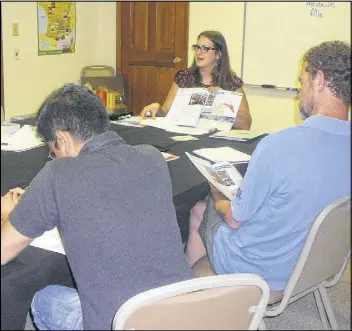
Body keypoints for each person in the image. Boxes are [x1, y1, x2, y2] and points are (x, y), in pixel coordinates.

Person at [1, 84, 193, 330]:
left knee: (44, 299)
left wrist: (11, 215)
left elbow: (3, 252)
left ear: (63, 139)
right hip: (183, 314)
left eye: (53, 151)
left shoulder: (57, 175)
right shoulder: (152, 157)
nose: (55, 157)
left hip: (122, 323)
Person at [185, 41, 351, 295]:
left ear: (319, 80)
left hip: (255, 269)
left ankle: (189, 296)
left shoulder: (278, 145)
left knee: (202, 208)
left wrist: (217, 191)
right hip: (314, 267)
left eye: (302, 82)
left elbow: (234, 219)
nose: (298, 93)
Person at [140, 30, 252, 130]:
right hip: (185, 136)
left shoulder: (231, 83)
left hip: (216, 140)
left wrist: (223, 99)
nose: (198, 52)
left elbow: (246, 125)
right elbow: (167, 112)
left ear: (218, 54)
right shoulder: (184, 77)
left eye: (205, 49)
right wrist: (157, 108)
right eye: (197, 47)